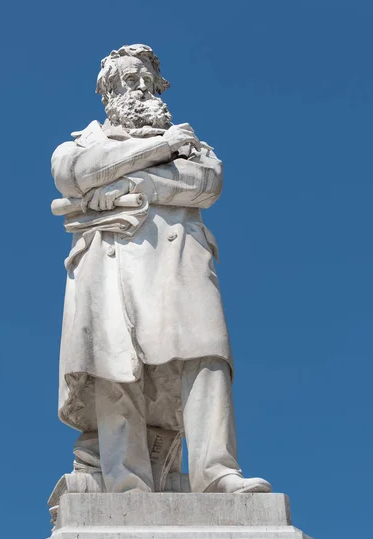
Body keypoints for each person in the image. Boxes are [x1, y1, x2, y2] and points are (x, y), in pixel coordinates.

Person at [51, 43, 271, 495]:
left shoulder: (190, 143)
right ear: (110, 90)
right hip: (110, 265)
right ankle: (126, 485)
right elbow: (77, 176)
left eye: (146, 79)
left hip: (179, 259)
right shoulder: (83, 144)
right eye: (129, 80)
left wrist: (132, 182)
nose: (140, 87)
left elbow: (205, 183)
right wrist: (162, 149)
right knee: (114, 367)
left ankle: (216, 472)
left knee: (206, 356)